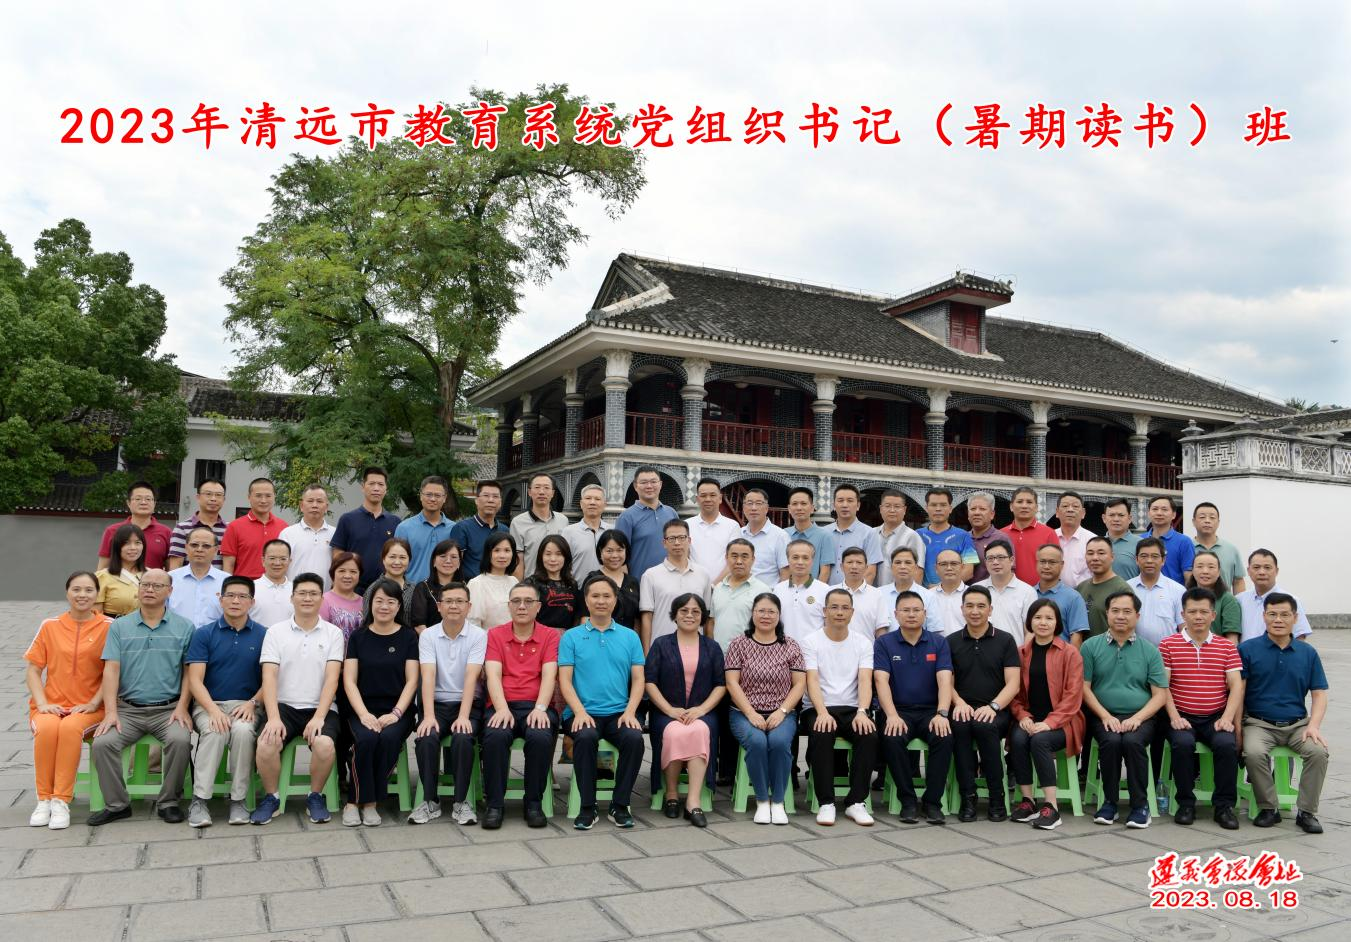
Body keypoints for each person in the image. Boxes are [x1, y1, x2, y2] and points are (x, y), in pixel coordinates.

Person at [88, 570, 195, 825]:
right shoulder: (120, 626)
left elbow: (189, 673)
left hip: (168, 710)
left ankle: (168, 801)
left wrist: (182, 707)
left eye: (157, 585)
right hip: (128, 710)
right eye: (145, 584)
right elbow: (111, 670)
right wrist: (111, 712)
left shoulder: (185, 627)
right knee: (103, 744)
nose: (150, 589)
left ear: (170, 591)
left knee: (180, 741)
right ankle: (117, 805)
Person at [250, 573, 344, 825]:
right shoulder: (275, 632)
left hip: (320, 707)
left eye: (313, 594)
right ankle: (271, 797)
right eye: (302, 593)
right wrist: (272, 717)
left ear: (321, 599)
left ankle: (315, 796)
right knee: (266, 742)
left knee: (324, 744)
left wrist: (319, 717)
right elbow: (269, 677)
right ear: (292, 598)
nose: (307, 598)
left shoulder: (333, 633)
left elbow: (332, 679)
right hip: (284, 706)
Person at [559, 574, 646, 829]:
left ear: (615, 600)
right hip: (582, 712)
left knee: (634, 739)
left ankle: (620, 805)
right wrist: (579, 712)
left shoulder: (630, 637)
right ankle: (588, 806)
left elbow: (638, 679)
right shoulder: (571, 637)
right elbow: (565, 681)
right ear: (586, 600)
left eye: (606, 596)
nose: (601, 601)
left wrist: (630, 712)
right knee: (585, 737)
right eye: (595, 596)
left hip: (619, 712)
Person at [25, 572, 110, 830]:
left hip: (91, 708)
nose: (82, 595)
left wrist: (93, 703)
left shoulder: (109, 626)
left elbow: (113, 672)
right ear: (67, 592)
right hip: (51, 705)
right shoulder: (49, 625)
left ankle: (61, 800)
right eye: (76, 589)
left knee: (70, 728)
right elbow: (33, 670)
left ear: (97, 594)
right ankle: (44, 799)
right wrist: (42, 704)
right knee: (48, 728)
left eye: (88, 590)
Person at [1239, 592, 1330, 834]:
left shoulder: (1307, 653)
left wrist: (1314, 726)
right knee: (1254, 753)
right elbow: (1239, 692)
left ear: (1295, 618)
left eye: (1284, 614)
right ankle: (1269, 808)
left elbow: (1319, 693)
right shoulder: (1247, 649)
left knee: (1318, 753)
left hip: (1298, 725)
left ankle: (1307, 812)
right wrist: (1238, 727)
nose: (1278, 619)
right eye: (1272, 614)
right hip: (1259, 724)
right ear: (1264, 616)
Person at [1080, 590, 1167, 829]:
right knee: (1110, 741)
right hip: (1103, 714)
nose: (1121, 616)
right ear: (1107, 614)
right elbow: (1084, 688)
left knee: (1132, 741)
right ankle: (1109, 803)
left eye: (1127, 611)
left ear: (1137, 616)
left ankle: (1140, 806)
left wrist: (1137, 718)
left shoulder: (1150, 650)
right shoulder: (1090, 646)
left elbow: (1160, 695)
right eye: (1115, 611)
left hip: (1141, 716)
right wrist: (1105, 715)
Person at [184, 575, 266, 828]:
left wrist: (253, 703)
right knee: (215, 730)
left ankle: (238, 799)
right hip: (210, 704)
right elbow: (195, 680)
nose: (235, 601)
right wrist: (213, 710)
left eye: (242, 596)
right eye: (230, 595)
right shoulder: (204, 634)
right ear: (220, 599)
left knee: (242, 732)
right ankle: (199, 800)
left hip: (248, 705)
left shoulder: (264, 634)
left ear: (252, 602)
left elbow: (271, 680)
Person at [1158, 587, 1242, 830]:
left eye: (1204, 612)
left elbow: (1236, 686)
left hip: (1215, 716)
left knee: (1226, 745)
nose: (1198, 617)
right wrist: (1174, 717)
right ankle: (1186, 803)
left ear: (1213, 615)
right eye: (1192, 611)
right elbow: (1163, 685)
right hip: (1181, 715)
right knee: (1183, 744)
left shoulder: (1226, 647)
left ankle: (1224, 807)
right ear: (1183, 614)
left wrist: (1227, 718)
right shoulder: (1168, 645)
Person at [480, 582, 560, 829]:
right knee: (495, 735)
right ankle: (495, 804)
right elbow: (493, 675)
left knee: (540, 736)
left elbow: (549, 675)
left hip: (537, 705)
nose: (522, 606)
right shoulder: (495, 634)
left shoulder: (550, 635)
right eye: (516, 601)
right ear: (509, 606)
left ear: (538, 607)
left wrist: (540, 708)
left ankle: (533, 803)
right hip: (502, 704)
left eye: (528, 601)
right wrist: (502, 708)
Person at [341, 579, 419, 827]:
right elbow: (349, 681)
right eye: (379, 601)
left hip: (398, 711)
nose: (384, 606)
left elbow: (412, 681)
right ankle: (356, 802)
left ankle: (367, 802)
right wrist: (364, 714)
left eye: (391, 602)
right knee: (366, 739)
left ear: (399, 607)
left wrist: (395, 713)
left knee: (387, 739)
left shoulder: (408, 637)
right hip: (361, 709)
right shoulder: (358, 636)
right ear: (370, 604)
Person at [873, 590, 953, 826]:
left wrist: (942, 713)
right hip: (898, 711)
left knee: (944, 736)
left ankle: (932, 802)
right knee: (892, 737)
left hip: (930, 711)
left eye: (916, 610)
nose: (911, 614)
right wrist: (891, 715)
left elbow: (945, 679)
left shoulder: (938, 643)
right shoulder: (884, 643)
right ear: (896, 614)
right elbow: (881, 680)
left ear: (925, 614)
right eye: (905, 610)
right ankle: (907, 801)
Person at [409, 581, 486, 826]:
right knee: (426, 737)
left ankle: (461, 802)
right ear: (439, 606)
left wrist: (463, 716)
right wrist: (428, 715)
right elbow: (428, 675)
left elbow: (471, 677)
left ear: (469, 606)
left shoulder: (479, 635)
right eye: (448, 601)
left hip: (468, 704)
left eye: (459, 601)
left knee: (463, 738)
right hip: (437, 704)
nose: (454, 606)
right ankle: (430, 801)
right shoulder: (428, 635)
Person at [725, 592, 806, 825]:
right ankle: (762, 800)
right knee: (758, 742)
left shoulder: (790, 645)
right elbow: (732, 683)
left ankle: (778, 801)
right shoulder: (739, 644)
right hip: (743, 713)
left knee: (779, 742)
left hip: (782, 713)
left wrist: (782, 712)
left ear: (779, 615)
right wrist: (751, 713)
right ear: (753, 613)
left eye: (771, 611)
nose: (766, 616)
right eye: (761, 610)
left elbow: (799, 684)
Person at [645, 594, 725, 827]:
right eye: (684, 611)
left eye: (695, 611)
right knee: (674, 732)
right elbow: (650, 681)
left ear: (702, 617)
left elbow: (721, 684)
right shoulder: (661, 644)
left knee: (699, 730)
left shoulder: (712, 647)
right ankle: (671, 793)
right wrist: (669, 710)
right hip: (666, 712)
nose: (689, 615)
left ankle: (693, 800)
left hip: (702, 712)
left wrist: (701, 710)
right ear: (675, 615)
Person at [801, 588, 877, 826]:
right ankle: (826, 802)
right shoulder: (811, 641)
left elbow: (865, 680)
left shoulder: (863, 642)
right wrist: (822, 712)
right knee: (822, 732)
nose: (839, 612)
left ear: (852, 612)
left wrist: (863, 711)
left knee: (869, 734)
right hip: (818, 707)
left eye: (845, 608)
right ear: (825, 611)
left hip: (853, 708)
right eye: (834, 607)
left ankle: (856, 802)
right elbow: (812, 680)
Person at [1008, 599, 1085, 832]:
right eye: (1038, 617)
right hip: (1029, 719)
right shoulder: (1021, 653)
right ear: (1030, 621)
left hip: (1064, 722)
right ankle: (1028, 800)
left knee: (1039, 741)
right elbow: (1013, 692)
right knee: (1018, 738)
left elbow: (1073, 696)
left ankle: (1051, 806)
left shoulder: (1070, 653)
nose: (1043, 622)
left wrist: (1050, 723)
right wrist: (1022, 716)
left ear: (1057, 623)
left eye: (1049, 618)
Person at [947, 585, 1020, 822]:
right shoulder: (951, 641)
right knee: (960, 727)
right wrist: (958, 702)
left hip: (996, 710)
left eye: (981, 606)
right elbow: (946, 681)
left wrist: (993, 706)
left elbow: (1013, 683)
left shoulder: (1005, 640)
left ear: (990, 609)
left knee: (984, 726)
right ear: (962, 609)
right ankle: (968, 796)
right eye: (969, 606)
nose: (975, 611)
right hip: (963, 708)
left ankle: (997, 796)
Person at [638, 519, 711, 651]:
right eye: (672, 538)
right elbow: (647, 618)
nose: (677, 543)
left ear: (689, 540)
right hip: (661, 650)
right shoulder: (650, 575)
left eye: (682, 538)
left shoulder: (703, 574)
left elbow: (706, 617)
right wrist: (647, 654)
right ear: (664, 543)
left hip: (695, 650)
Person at [331, 467, 401, 593]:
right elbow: (338, 554)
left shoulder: (395, 522)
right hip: (353, 588)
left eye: (380, 484)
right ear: (363, 487)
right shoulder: (347, 519)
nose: (376, 488)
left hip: (385, 589)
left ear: (386, 489)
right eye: (371, 484)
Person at [615, 466, 679, 580]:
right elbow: (619, 556)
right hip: (640, 582)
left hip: (672, 580)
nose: (649, 486)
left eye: (653, 482)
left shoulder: (671, 513)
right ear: (635, 486)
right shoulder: (626, 517)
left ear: (660, 484)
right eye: (644, 482)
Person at [1235, 549, 1313, 642]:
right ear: (1248, 571)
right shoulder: (1239, 600)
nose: (1262, 572)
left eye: (1267, 567)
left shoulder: (1291, 600)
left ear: (1276, 571)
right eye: (1256, 567)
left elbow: (1299, 637)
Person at [97, 480, 173, 571]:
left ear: (154, 503)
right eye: (138, 499)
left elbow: (170, 570)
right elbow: (102, 569)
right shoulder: (113, 531)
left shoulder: (166, 532)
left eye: (148, 499)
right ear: (128, 503)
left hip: (153, 580)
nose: (143, 502)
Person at [221, 478, 289, 580]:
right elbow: (228, 565)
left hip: (275, 585)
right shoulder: (234, 526)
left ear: (274, 497)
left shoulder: (283, 527)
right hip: (244, 586)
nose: (263, 500)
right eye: (258, 496)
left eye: (268, 496)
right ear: (249, 497)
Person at [709, 539, 770, 649]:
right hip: (719, 655)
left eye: (744, 557)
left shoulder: (763, 591)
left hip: (749, 656)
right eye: (734, 556)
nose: (739, 561)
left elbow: (768, 627)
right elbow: (712, 622)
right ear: (726, 558)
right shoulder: (718, 588)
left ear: (753, 559)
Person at [975, 539, 1035, 646]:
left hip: (1015, 653)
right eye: (990, 558)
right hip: (980, 652)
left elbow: (1030, 631)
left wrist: (1023, 653)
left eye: (1000, 557)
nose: (995, 562)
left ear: (1011, 560)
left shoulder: (1027, 592)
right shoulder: (976, 590)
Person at [1076, 537, 1136, 644]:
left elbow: (1127, 629)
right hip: (1084, 651)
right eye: (1090, 553)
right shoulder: (1081, 587)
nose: (1095, 558)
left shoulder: (1122, 590)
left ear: (1112, 557)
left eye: (1101, 553)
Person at [396, 475, 454, 584]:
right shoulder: (404, 528)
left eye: (437, 495)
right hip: (412, 589)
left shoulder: (454, 529)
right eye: (428, 494)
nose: (433, 499)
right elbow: (396, 563)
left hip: (445, 590)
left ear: (445, 498)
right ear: (421, 496)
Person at [1127, 538, 1184, 646]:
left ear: (1163, 560)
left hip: (1167, 653)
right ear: (1136, 559)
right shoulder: (1127, 588)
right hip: (1134, 651)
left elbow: (1183, 627)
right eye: (1144, 556)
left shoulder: (1178, 590)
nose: (1149, 560)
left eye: (1155, 556)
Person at [511, 472, 568, 580]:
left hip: (558, 583)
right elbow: (518, 561)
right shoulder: (518, 522)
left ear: (552, 493)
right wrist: (521, 586)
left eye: (546, 488)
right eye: (537, 487)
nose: (541, 492)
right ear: (529, 492)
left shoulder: (563, 520)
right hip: (531, 583)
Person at [773, 539, 831, 643]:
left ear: (812, 561)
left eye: (805, 558)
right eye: (795, 557)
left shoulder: (825, 590)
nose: (800, 562)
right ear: (788, 560)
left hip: (813, 650)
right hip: (783, 649)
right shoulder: (778, 590)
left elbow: (830, 626)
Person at [449, 479, 509, 580]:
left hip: (498, 584)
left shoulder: (505, 530)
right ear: (476, 500)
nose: (491, 500)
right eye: (486, 495)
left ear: (500, 502)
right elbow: (454, 564)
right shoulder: (462, 528)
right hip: (469, 586)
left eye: (495, 496)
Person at [280, 484, 336, 589]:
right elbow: (279, 567)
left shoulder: (335, 534)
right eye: (310, 501)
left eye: (319, 501)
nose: (315, 505)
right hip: (294, 595)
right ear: (301, 505)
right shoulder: (287, 534)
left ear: (326, 507)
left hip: (326, 596)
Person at [581, 530, 641, 630]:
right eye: (609, 551)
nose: (615, 555)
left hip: (627, 638)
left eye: (619, 550)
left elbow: (637, 620)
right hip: (599, 637)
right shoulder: (592, 580)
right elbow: (584, 617)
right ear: (600, 552)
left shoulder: (633, 582)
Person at [168, 526, 227, 627]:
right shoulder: (170, 579)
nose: (199, 549)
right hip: (176, 636)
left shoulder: (226, 581)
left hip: (214, 637)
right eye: (194, 545)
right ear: (186, 548)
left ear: (216, 550)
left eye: (206, 546)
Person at [917, 488, 977, 587]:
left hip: (953, 593)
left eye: (943, 505)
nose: (938, 509)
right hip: (923, 593)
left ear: (950, 508)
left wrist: (940, 587)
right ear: (926, 508)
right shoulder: (916, 535)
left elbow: (968, 571)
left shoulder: (964, 536)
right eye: (933, 505)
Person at [826, 484, 883, 586]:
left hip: (855, 593)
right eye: (840, 500)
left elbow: (870, 572)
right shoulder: (824, 532)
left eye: (850, 500)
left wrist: (856, 593)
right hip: (826, 592)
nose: (845, 505)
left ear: (858, 505)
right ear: (834, 505)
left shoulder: (869, 533)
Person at [1000, 485, 1058, 586]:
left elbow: (1056, 565)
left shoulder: (1049, 533)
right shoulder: (1001, 534)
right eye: (1020, 502)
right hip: (1007, 590)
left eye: (1029, 502)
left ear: (1036, 507)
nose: (1024, 506)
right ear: (1011, 506)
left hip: (1040, 591)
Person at [1033, 544, 1090, 642]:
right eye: (1042, 561)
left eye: (1052, 562)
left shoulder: (1073, 597)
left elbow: (1076, 636)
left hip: (1061, 651)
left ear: (1062, 564)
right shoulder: (1028, 594)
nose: (1046, 566)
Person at [167, 478, 227, 570]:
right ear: (198, 497)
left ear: (224, 499)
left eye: (218, 495)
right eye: (208, 494)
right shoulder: (182, 528)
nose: (213, 499)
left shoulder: (230, 529)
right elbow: (175, 567)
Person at [686, 476, 740, 578]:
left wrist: (715, 585)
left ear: (720, 498)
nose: (708, 499)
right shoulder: (687, 525)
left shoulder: (733, 526)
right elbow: (684, 557)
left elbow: (734, 559)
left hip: (724, 585)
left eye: (712, 495)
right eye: (703, 495)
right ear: (697, 499)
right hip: (693, 584)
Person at [408, 539, 465, 633]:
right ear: (434, 561)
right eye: (443, 556)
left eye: (454, 557)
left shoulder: (466, 588)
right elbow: (419, 625)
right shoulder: (423, 588)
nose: (448, 561)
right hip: (429, 640)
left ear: (459, 563)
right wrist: (433, 641)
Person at [882, 547, 942, 635]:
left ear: (916, 568)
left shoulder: (928, 596)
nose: (902, 566)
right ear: (891, 567)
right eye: (898, 562)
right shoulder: (879, 594)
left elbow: (935, 631)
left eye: (908, 562)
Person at [527, 534, 580, 632]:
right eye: (548, 554)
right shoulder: (531, 584)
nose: (553, 559)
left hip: (567, 637)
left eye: (558, 554)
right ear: (541, 556)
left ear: (566, 557)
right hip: (540, 636)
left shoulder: (572, 584)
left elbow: (577, 615)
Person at [468, 533, 520, 631]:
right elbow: (473, 623)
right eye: (497, 550)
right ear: (488, 554)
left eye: (507, 550)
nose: (502, 556)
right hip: (488, 639)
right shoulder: (477, 583)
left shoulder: (514, 581)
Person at [1185, 551, 1242, 640]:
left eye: (1211, 567)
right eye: (1200, 566)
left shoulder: (1228, 600)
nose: (1205, 571)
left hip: (1218, 648)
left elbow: (1232, 637)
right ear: (1192, 570)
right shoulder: (1184, 596)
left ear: (1219, 571)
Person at [1190, 502, 1246, 594]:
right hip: (1193, 601)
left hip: (1224, 602)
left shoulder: (1231, 549)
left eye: (1212, 517)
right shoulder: (1186, 547)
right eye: (1202, 517)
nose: (1207, 521)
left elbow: (1238, 581)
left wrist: (1237, 602)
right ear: (1193, 521)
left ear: (1218, 522)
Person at [739, 488, 790, 585]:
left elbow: (786, 573)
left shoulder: (780, 536)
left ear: (766, 508)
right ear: (744, 508)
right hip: (739, 592)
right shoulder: (739, 534)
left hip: (768, 593)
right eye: (749, 503)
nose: (754, 508)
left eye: (758, 503)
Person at [837, 547, 890, 639]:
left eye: (859, 563)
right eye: (850, 562)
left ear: (866, 567)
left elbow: (881, 629)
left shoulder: (877, 594)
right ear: (842, 566)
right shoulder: (830, 592)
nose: (854, 566)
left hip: (867, 647)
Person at [873, 489, 922, 588]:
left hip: (900, 594)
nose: (892, 510)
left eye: (897, 506)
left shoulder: (912, 536)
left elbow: (918, 571)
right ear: (881, 509)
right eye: (887, 506)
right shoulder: (871, 533)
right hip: (873, 593)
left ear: (904, 510)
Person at [360, 538, 416, 625]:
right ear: (383, 559)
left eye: (402, 557)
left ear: (409, 560)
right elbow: (366, 623)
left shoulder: (415, 589)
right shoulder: (373, 589)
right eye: (392, 557)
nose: (397, 562)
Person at [787, 486, 836, 584]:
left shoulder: (825, 536)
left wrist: (814, 591)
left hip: (814, 590)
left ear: (812, 508)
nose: (799, 508)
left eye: (803, 503)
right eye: (795, 504)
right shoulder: (783, 534)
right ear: (789, 508)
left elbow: (825, 571)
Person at [95, 523, 145, 617]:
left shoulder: (151, 575)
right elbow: (96, 616)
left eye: (138, 543)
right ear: (117, 546)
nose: (133, 548)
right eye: (126, 543)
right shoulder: (102, 577)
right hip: (112, 625)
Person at [563, 483, 611, 582]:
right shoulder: (569, 532)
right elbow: (563, 564)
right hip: (578, 588)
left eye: (597, 499)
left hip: (608, 588)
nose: (592, 502)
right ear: (581, 504)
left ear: (604, 505)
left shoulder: (612, 531)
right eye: (588, 498)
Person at [1145, 496, 1195, 585]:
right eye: (1155, 509)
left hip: (1175, 593)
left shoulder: (1184, 541)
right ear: (1149, 513)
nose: (1159, 513)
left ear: (1173, 515)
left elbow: (1189, 576)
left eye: (1164, 509)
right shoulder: (1139, 540)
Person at [320, 552, 365, 641]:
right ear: (333, 573)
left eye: (353, 572)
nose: (347, 576)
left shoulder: (365, 602)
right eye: (342, 571)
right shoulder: (323, 600)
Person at [252, 539, 295, 627]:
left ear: (289, 562)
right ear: (263, 561)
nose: (277, 563)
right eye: (272, 558)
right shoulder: (250, 588)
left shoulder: (297, 590)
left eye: (283, 559)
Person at [1053, 491, 1092, 588]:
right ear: (1057, 512)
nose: (1070, 510)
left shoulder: (1092, 540)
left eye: (1075, 506)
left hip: (1083, 593)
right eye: (1065, 506)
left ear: (1083, 513)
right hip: (1052, 593)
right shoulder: (1049, 537)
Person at [929, 549, 969, 634]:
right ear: (936, 568)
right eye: (943, 564)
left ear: (962, 567)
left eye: (954, 563)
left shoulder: (974, 595)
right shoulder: (927, 596)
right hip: (935, 642)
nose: (949, 568)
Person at [964, 491, 1000, 584]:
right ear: (968, 514)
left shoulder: (1000, 539)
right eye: (973, 509)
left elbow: (1009, 571)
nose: (977, 513)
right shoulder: (962, 538)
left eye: (982, 509)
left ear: (992, 514)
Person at [1102, 497, 1140, 580]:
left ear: (1129, 519)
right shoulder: (1097, 544)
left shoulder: (1140, 544)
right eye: (1112, 515)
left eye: (1121, 515)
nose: (1116, 519)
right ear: (1104, 518)